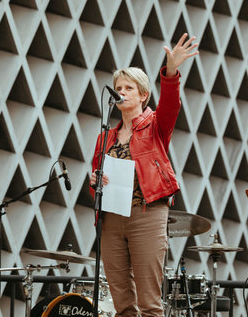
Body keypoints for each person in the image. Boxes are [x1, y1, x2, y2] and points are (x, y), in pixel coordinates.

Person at [89, 33, 199, 317]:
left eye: (128, 87)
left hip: (147, 214)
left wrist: (171, 71)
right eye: (118, 87)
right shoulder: (106, 137)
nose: (121, 92)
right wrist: (95, 182)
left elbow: (172, 105)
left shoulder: (154, 126)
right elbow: (98, 182)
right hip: (112, 218)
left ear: (143, 95)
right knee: (122, 302)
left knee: (149, 303)